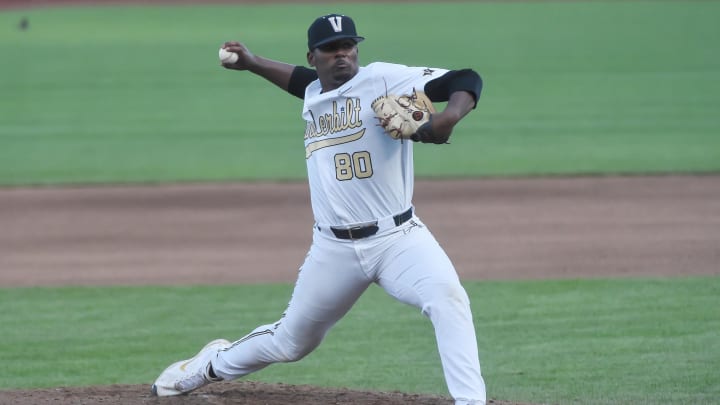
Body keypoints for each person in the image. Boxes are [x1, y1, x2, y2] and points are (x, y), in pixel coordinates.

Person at [151, 13, 486, 405]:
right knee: (291, 343)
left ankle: (470, 402)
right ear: (314, 57)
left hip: (400, 238)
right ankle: (208, 365)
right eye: (330, 49)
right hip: (334, 250)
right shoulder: (313, 91)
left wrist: (448, 117)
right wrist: (254, 63)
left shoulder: (381, 79)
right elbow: (298, 81)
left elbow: (466, 78)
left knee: (448, 299)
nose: (342, 54)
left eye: (348, 46)